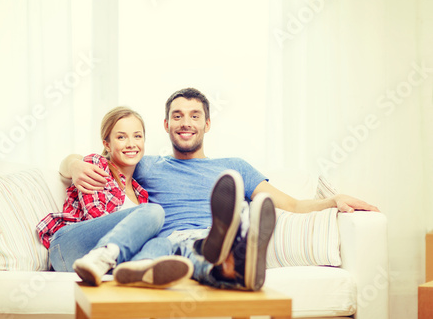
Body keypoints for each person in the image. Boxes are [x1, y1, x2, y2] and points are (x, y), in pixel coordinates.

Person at [60, 88, 379, 290]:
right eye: (177, 116)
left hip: (205, 239)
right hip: (167, 242)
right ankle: (230, 263)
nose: (186, 122)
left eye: (194, 115)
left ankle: (232, 252)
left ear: (207, 124)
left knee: (201, 250)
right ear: (166, 125)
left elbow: (292, 205)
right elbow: (101, 160)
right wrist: (73, 165)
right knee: (181, 248)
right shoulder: (146, 163)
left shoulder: (234, 167)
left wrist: (332, 200)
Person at [36, 106, 192, 287]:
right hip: (68, 247)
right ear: (107, 144)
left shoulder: (140, 193)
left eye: (137, 136)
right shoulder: (96, 165)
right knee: (154, 211)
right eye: (121, 137)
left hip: (103, 263)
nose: (131, 143)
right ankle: (103, 256)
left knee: (162, 243)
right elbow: (94, 215)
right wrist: (73, 163)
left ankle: (138, 268)